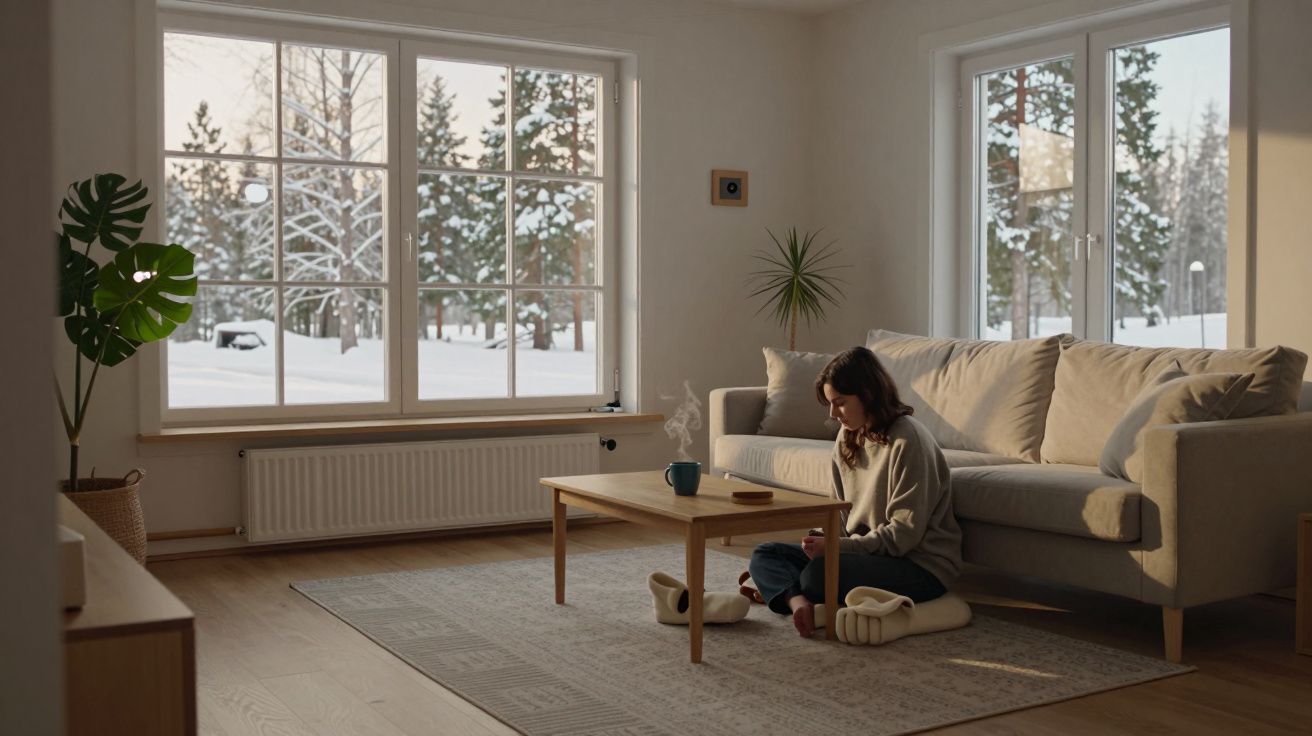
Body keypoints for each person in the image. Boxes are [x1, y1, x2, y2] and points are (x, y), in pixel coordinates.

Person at [746, 346, 962, 637]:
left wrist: (836, 549)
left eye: (840, 403)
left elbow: (902, 537)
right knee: (765, 554)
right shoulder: (847, 437)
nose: (834, 414)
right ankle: (798, 602)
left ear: (868, 395)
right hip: (868, 554)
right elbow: (841, 515)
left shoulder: (909, 440)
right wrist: (821, 539)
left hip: (918, 565)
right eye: (830, 404)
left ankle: (794, 590)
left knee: (817, 576)